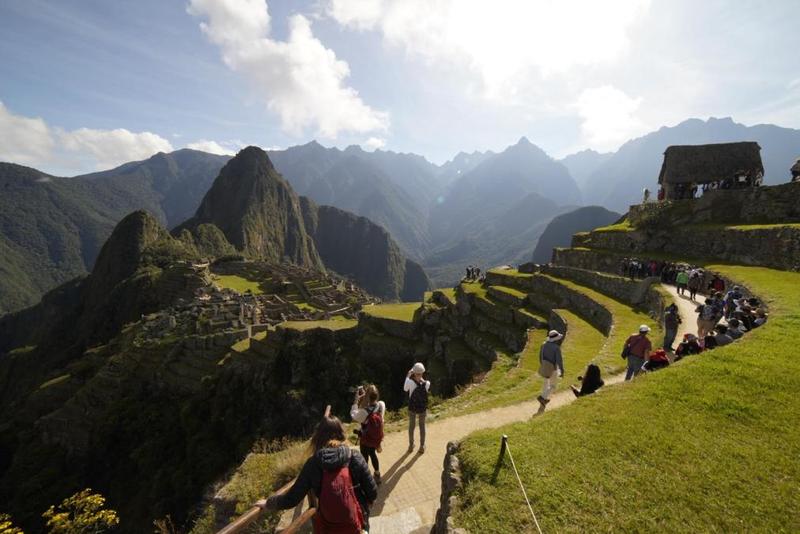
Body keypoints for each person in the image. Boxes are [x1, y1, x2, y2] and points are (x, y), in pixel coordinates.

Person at [261, 415, 377, 533]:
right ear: (341, 433)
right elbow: (372, 491)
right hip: (358, 518)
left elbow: (292, 498)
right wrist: (368, 502)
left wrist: (268, 503)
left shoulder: (313, 464)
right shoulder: (354, 456)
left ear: (318, 437)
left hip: (330, 522)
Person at [351, 385, 385, 484]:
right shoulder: (380, 405)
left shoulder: (364, 412)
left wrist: (356, 400)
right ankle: (377, 474)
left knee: (364, 457)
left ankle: (366, 477)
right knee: (373, 454)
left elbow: (354, 415)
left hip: (365, 439)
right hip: (376, 438)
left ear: (367, 396)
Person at [404, 363, 430, 454]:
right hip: (422, 408)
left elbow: (405, 389)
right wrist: (420, 377)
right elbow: (422, 381)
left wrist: (408, 375)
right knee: (422, 426)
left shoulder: (410, 382)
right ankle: (422, 446)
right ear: (422, 373)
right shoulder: (427, 384)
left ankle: (411, 446)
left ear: (414, 373)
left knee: (412, 426)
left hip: (412, 407)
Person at [538, 330, 565, 407]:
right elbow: (559, 361)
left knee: (545, 383)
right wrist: (562, 370)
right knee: (553, 386)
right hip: (553, 368)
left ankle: (544, 398)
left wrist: (543, 365)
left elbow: (540, 357)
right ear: (556, 338)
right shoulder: (556, 348)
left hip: (545, 366)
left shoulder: (543, 345)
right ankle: (542, 397)